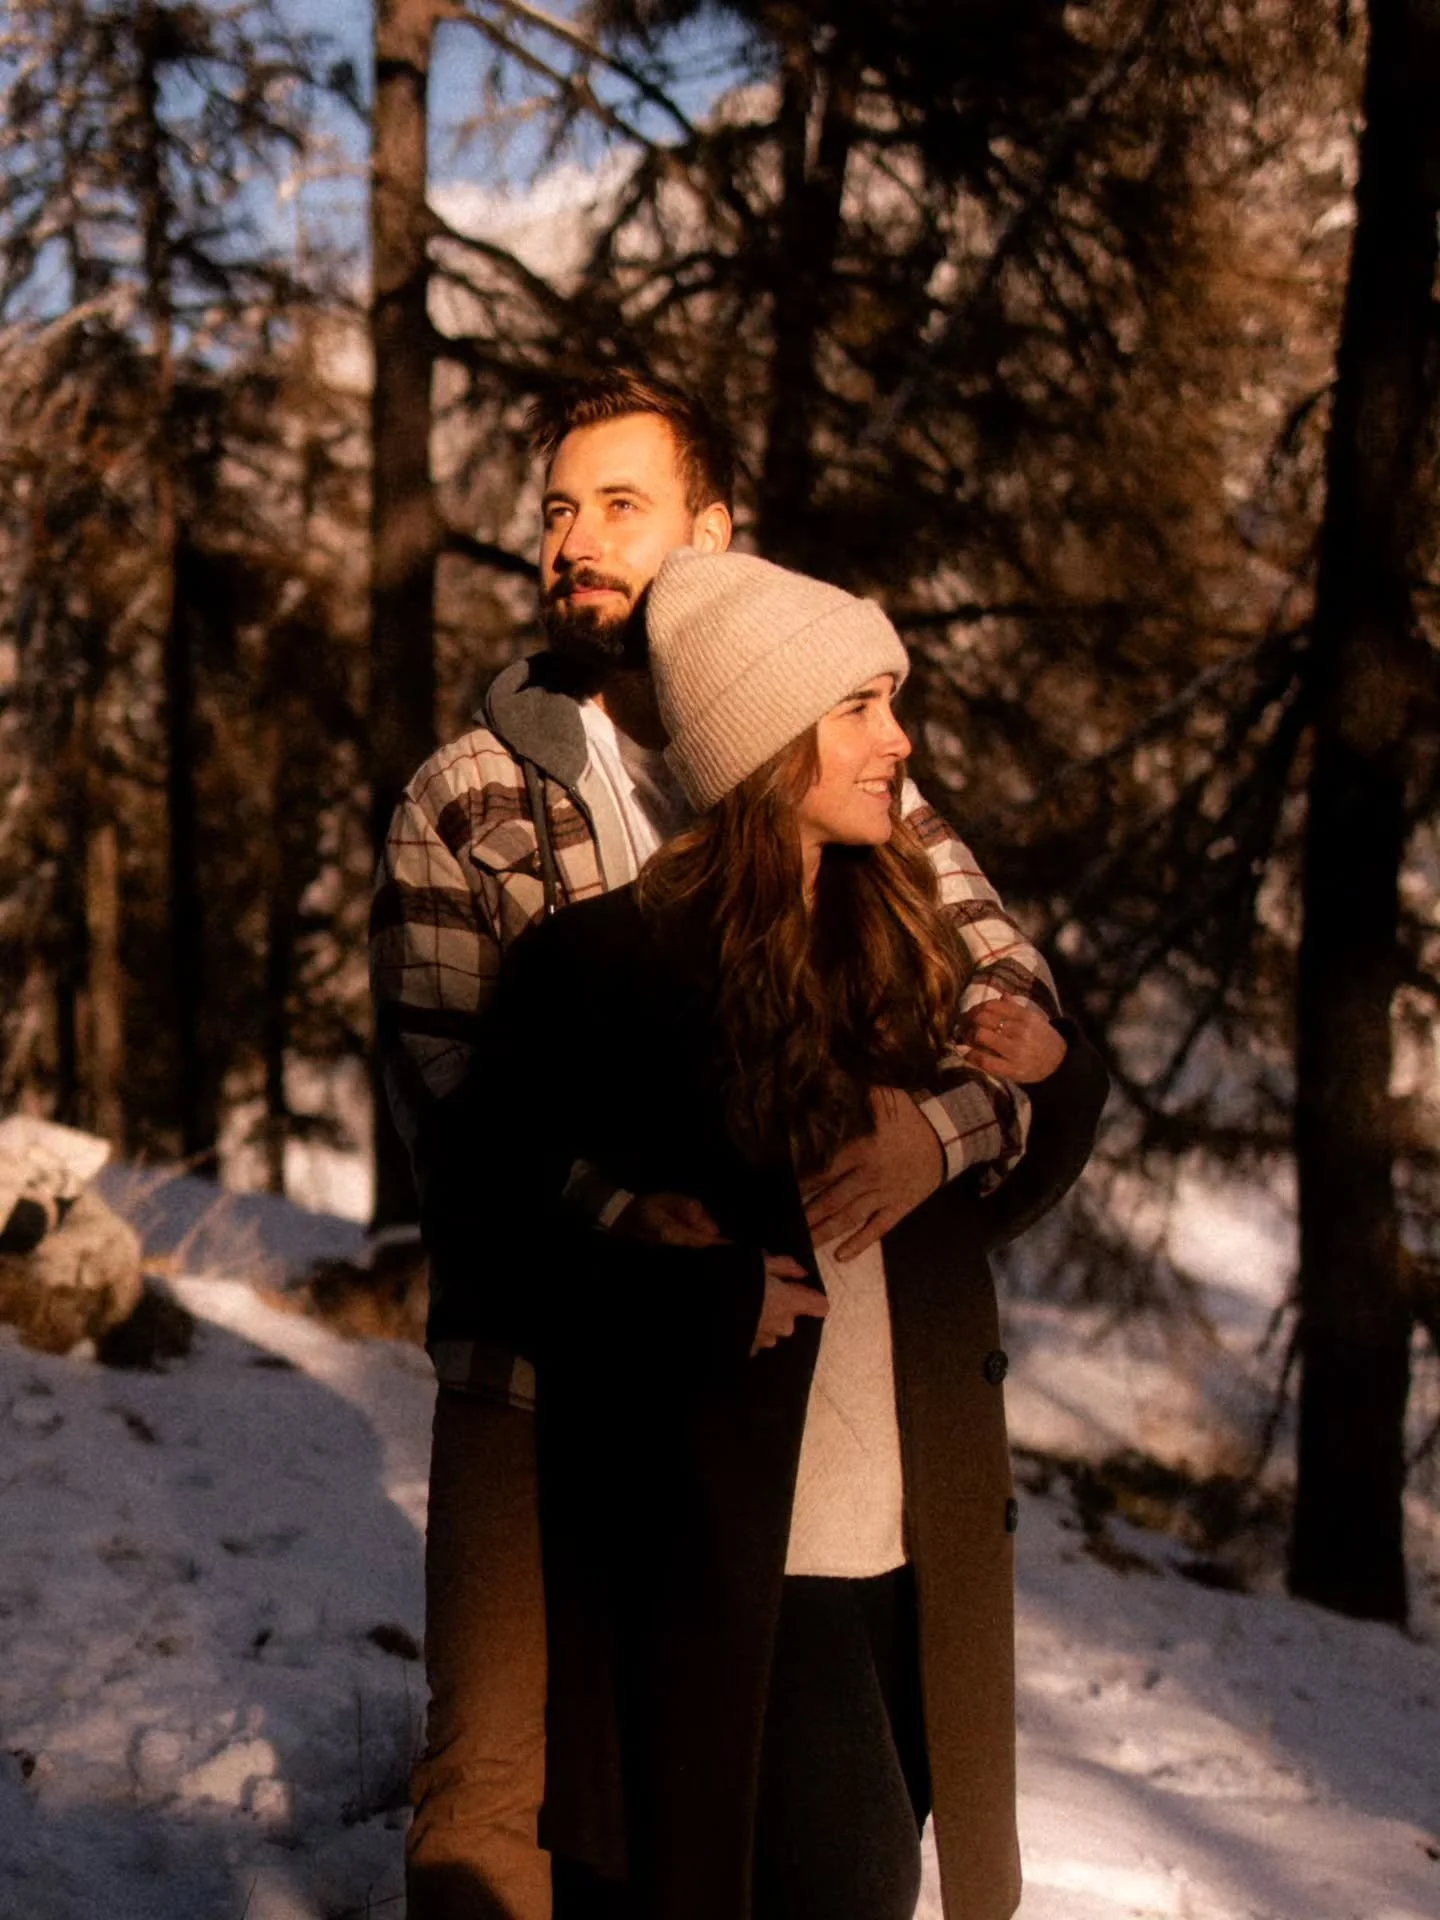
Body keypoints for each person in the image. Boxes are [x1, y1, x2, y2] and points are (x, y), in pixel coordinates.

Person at [370, 370, 1069, 1920]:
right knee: (506, 1793)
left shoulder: (807, 741)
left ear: (710, 533)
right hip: (537, 1365)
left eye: (621, 504)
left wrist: (939, 1133)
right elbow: (456, 1112)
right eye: (555, 509)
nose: (575, 539)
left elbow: (1010, 990)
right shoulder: (470, 796)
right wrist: (649, 1239)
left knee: (768, 1806)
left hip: (786, 1393)